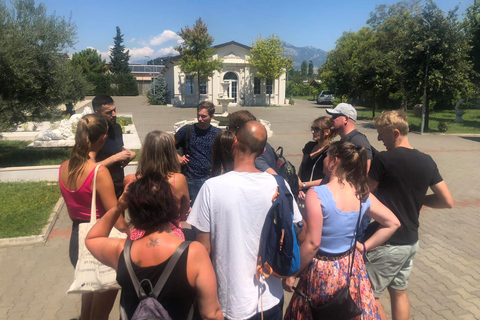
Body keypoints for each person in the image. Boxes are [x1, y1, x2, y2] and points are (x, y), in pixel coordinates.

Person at [187, 121, 303, 320]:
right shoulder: (279, 184)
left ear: (235, 141)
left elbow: (202, 250)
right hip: (271, 298)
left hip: (230, 300)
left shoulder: (212, 188)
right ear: (262, 151)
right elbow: (301, 230)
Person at [283, 141, 400, 320]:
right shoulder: (361, 192)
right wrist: (365, 246)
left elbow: (313, 243)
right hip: (351, 267)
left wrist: (292, 273)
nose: (324, 160)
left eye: (327, 156)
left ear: (334, 160)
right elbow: (392, 223)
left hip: (321, 270)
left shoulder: (317, 194)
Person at [85, 174, 224, 320]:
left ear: (133, 212)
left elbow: (92, 238)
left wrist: (118, 207)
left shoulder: (121, 252)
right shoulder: (194, 253)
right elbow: (211, 314)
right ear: (171, 206)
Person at [364, 110, 453, 320]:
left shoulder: (384, 159)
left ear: (395, 133)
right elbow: (446, 201)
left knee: (367, 293)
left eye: (381, 134)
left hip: (386, 242)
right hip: (410, 242)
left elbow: (365, 194)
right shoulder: (427, 161)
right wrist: (416, 199)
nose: (378, 139)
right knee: (399, 291)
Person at [59, 113, 129, 320]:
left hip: (77, 238)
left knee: (89, 294)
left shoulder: (64, 167)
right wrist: (131, 232)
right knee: (102, 307)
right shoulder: (98, 171)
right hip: (101, 240)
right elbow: (114, 215)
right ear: (103, 138)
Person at [124, 131, 190, 240]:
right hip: (171, 235)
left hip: (139, 237)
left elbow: (129, 213)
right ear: (171, 153)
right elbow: (184, 212)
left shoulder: (130, 180)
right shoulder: (178, 179)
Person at [174, 101, 221, 204]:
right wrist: (177, 157)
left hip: (209, 179)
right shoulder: (187, 130)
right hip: (190, 178)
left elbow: (223, 153)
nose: (200, 119)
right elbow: (167, 144)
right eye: (198, 115)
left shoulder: (217, 133)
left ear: (212, 116)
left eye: (203, 116)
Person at [93, 95, 136, 198]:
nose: (114, 114)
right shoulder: (92, 134)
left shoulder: (116, 128)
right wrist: (115, 158)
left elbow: (119, 150)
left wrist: (131, 155)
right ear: (97, 113)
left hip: (119, 186)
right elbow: (88, 169)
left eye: (114, 110)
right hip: (101, 189)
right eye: (109, 112)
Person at [227, 110, 277, 174]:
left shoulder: (252, 153)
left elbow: (274, 175)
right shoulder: (261, 143)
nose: (228, 132)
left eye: (230, 128)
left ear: (238, 129)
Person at [326, 103, 374, 170]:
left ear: (346, 119)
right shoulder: (346, 139)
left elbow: (364, 172)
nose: (330, 119)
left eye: (334, 116)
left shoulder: (357, 140)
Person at [297, 116, 334, 201]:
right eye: (312, 128)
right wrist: (299, 187)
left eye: (316, 129)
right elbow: (301, 168)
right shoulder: (309, 146)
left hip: (317, 195)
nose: (313, 132)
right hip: (301, 193)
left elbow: (327, 179)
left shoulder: (330, 152)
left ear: (327, 132)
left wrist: (303, 185)